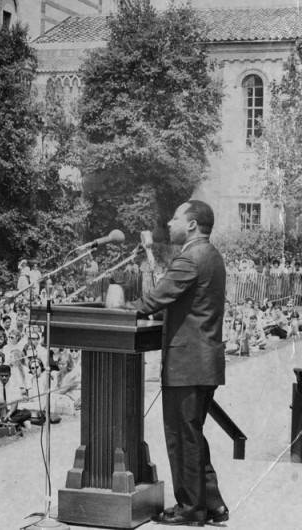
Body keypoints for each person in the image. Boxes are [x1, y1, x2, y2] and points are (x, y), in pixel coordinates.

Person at [132, 200, 228, 526]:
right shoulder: (211, 255)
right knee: (194, 436)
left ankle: (190, 510)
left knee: (182, 438)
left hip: (187, 365)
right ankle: (212, 504)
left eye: (174, 218)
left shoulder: (191, 256)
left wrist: (115, 309)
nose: (169, 223)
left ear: (190, 224)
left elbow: (154, 299)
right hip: (204, 362)